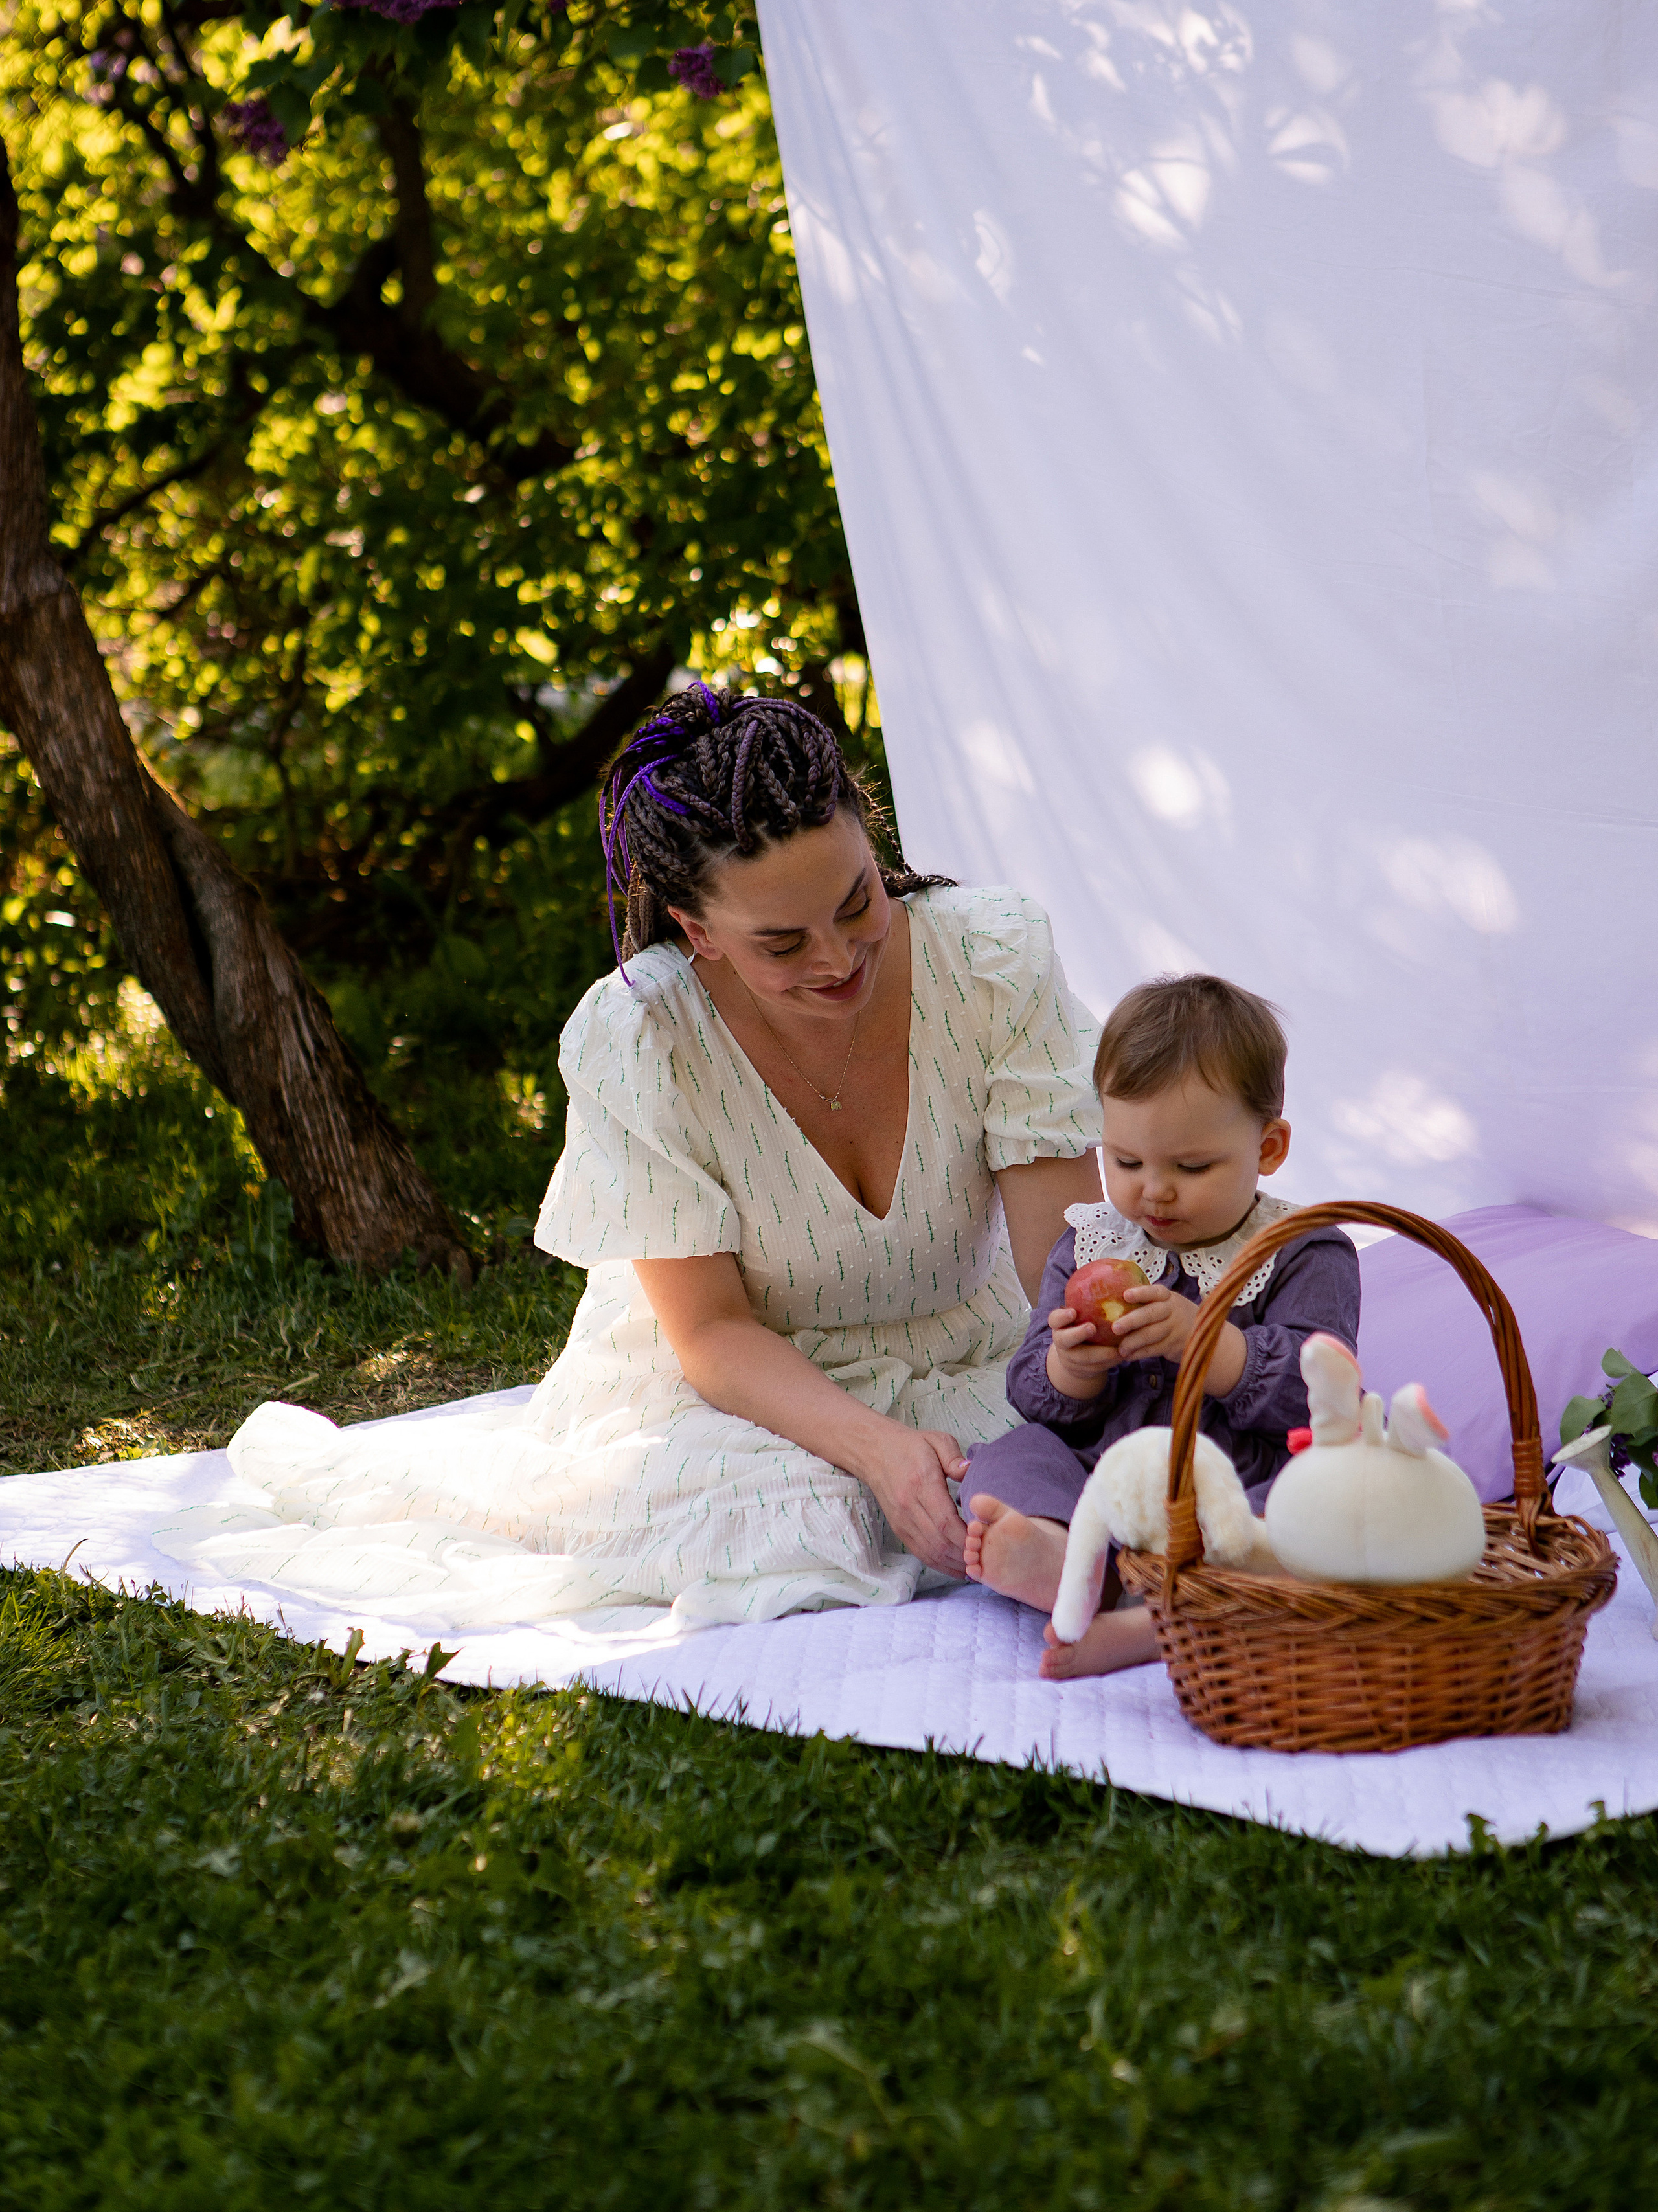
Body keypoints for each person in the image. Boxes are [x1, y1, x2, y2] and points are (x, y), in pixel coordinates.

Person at [204, 683, 1103, 1629]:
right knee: (807, 1517)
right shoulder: (639, 1036)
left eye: (857, 902)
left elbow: (1058, 1266)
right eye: (783, 942)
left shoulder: (993, 960)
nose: (839, 958)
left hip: (968, 1348)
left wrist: (1073, 1392)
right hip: (746, 1384)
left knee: (1092, 1457)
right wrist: (879, 1451)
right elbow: (711, 1334)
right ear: (696, 928)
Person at [962, 975, 1361, 1680]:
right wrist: (1073, 1368)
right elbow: (1031, 1388)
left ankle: (1154, 1612)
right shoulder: (1093, 1243)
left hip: (1235, 1494)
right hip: (1108, 1482)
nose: (1153, 1189)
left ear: (1268, 1149)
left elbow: (1320, 1395)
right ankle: (1066, 1557)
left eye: (1191, 1166)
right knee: (1011, 1453)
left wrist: (1205, 1343)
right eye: (1125, 1161)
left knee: (1334, 1496)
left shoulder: (1304, 1249)